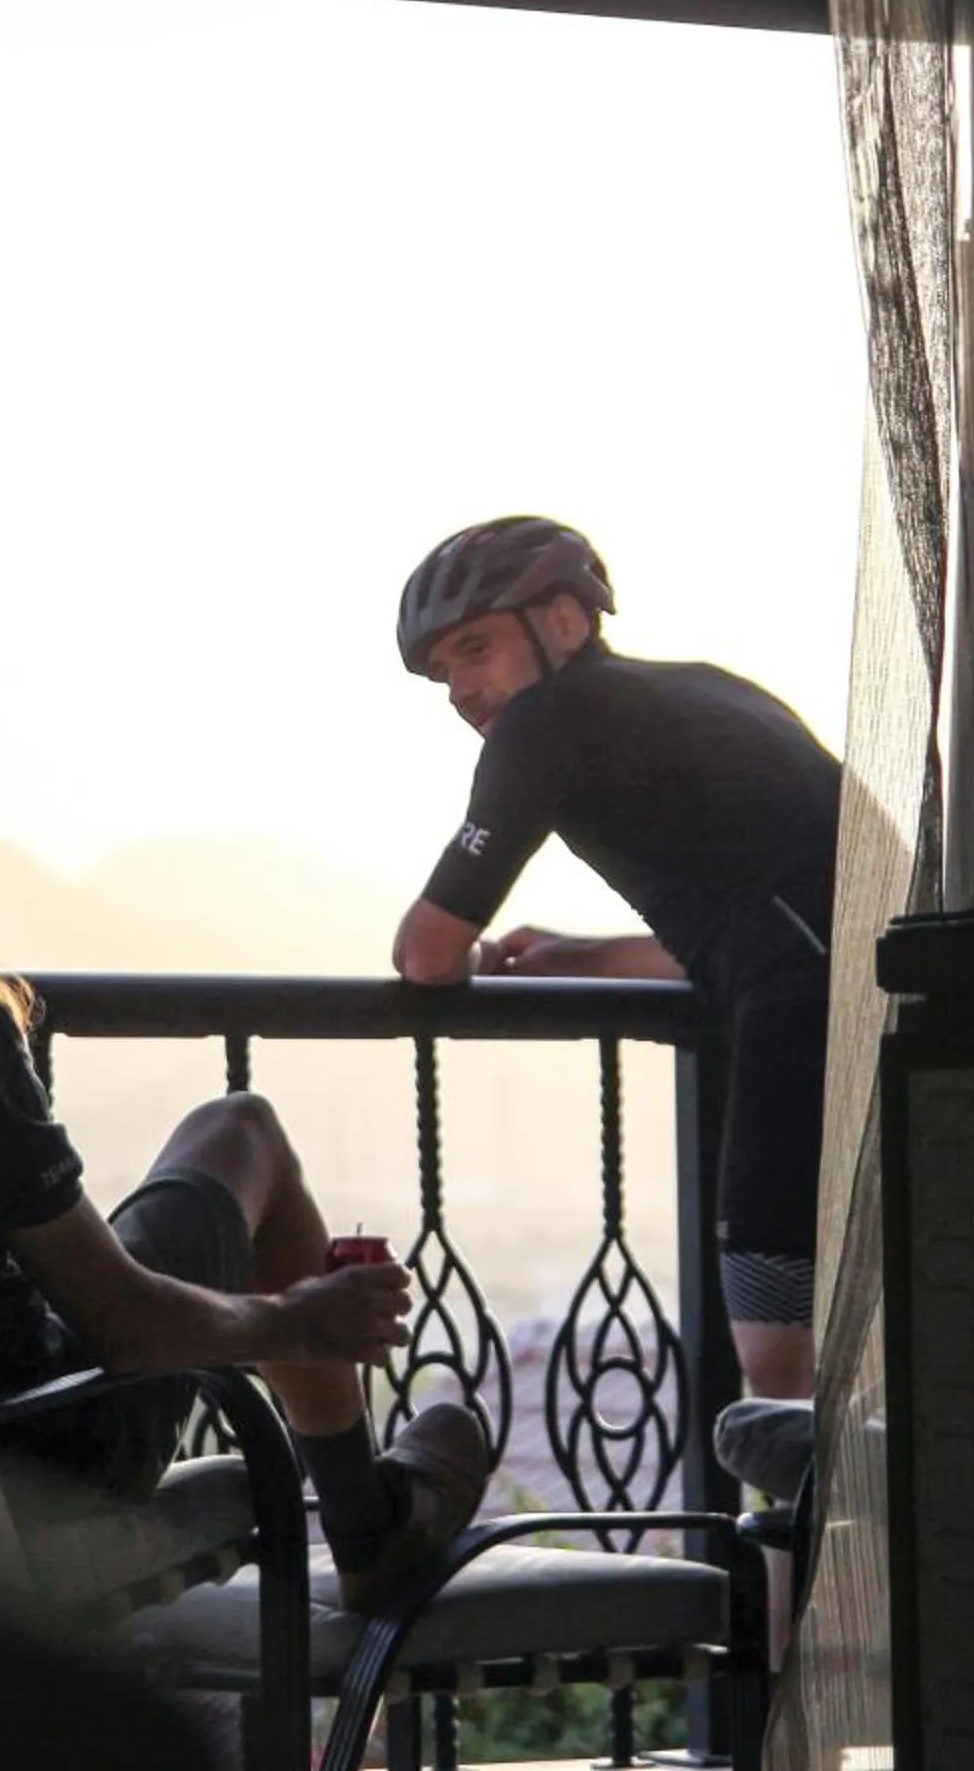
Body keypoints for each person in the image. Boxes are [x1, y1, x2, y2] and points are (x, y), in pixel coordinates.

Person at [0, 696, 492, 1611]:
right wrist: (300, 1321)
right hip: (43, 1444)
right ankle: (369, 1526)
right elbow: (128, 1328)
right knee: (243, 1130)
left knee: (223, 1138)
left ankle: (370, 1521)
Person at [388, 516, 838, 1402]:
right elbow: (758, 919)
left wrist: (483, 952)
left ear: (564, 620)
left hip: (799, 1019)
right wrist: (581, 955)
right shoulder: (706, 691)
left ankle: (833, 1546)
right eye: (443, 672)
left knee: (781, 1373)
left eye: (475, 650)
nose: (461, 691)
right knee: (857, 1361)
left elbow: (426, 954)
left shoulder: (547, 723)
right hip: (872, 992)